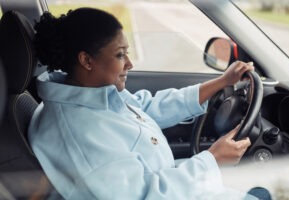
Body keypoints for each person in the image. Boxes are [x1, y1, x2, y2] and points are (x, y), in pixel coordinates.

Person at [28, 7, 269, 200]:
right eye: (120, 55)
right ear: (87, 60)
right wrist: (211, 160)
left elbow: (146, 108)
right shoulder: (78, 133)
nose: (130, 64)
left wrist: (221, 82)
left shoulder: (92, 95)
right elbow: (142, 196)